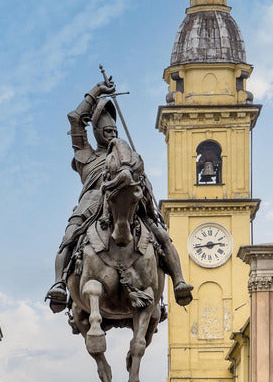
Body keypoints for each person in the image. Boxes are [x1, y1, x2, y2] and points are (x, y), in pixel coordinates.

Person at [45, 78, 193, 313]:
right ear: (96, 133)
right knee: (70, 237)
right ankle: (60, 284)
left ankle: (179, 281)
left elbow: (142, 179)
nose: (112, 133)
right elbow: (75, 118)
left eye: (114, 130)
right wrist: (96, 92)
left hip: (128, 201)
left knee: (161, 236)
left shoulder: (126, 155)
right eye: (107, 130)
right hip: (92, 203)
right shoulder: (86, 154)